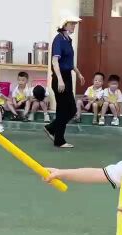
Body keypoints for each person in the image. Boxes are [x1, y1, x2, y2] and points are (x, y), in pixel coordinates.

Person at [44, 10, 85, 148]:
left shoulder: (68, 40)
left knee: (69, 109)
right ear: (64, 24)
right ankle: (59, 140)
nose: (74, 26)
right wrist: (60, 80)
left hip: (67, 76)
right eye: (72, 24)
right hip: (60, 77)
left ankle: (52, 128)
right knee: (66, 109)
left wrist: (78, 73)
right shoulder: (58, 40)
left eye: (75, 24)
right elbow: (55, 62)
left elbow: (69, 62)